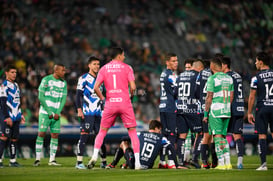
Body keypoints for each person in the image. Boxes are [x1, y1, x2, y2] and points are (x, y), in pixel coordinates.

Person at [87, 47, 141, 170]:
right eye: (123, 55)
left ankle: (94, 156)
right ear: (119, 56)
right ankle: (137, 163)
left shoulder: (103, 68)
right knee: (132, 132)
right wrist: (131, 96)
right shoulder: (128, 68)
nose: (124, 57)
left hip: (110, 103)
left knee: (102, 131)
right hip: (124, 103)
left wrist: (103, 99)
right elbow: (133, 87)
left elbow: (96, 87)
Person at [106, 120, 186, 169]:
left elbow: (123, 138)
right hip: (148, 166)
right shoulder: (162, 138)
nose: (160, 132)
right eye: (159, 130)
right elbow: (171, 147)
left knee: (124, 143)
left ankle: (113, 164)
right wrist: (176, 164)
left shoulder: (141, 134)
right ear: (156, 128)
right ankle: (126, 163)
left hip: (135, 164)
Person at [75, 56, 107, 169]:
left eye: (98, 64)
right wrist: (79, 109)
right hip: (87, 112)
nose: (97, 66)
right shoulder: (83, 78)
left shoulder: (101, 79)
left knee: (101, 136)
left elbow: (105, 95)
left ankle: (104, 162)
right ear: (89, 65)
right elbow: (78, 95)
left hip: (99, 113)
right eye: (94, 64)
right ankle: (79, 162)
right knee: (84, 136)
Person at [203, 57, 234, 170]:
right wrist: (226, 106)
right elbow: (231, 97)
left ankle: (221, 163)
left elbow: (209, 97)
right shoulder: (229, 78)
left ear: (212, 67)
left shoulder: (212, 78)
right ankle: (228, 163)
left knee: (217, 137)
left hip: (216, 111)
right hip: (226, 110)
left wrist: (206, 114)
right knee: (224, 138)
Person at [33, 64, 67, 166]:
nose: (64, 72)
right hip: (45, 113)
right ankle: (37, 159)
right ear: (56, 71)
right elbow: (41, 96)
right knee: (41, 134)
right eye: (62, 70)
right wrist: (49, 112)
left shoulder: (63, 83)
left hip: (56, 114)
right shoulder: (46, 79)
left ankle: (52, 160)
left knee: (55, 135)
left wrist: (58, 112)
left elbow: (63, 99)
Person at [175, 59, 204, 168]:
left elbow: (175, 92)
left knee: (182, 136)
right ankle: (195, 158)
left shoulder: (180, 76)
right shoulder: (198, 76)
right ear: (200, 68)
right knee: (200, 133)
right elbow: (198, 92)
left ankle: (181, 161)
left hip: (180, 108)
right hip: (193, 109)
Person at [248, 52, 273, 171]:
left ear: (261, 62)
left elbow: (252, 96)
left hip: (262, 108)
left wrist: (249, 113)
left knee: (262, 135)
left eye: (256, 61)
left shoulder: (256, 78)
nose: (255, 63)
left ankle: (263, 165)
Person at [222, 56, 245, 169]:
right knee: (237, 136)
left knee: (223, 135)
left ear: (225, 65)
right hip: (240, 108)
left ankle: (226, 161)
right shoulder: (237, 75)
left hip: (230, 108)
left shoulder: (226, 77)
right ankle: (240, 162)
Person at [0, 65, 25, 168]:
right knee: (3, 137)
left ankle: (13, 160)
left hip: (16, 116)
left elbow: (17, 102)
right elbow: (2, 102)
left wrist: (21, 114)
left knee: (14, 138)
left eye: (15, 72)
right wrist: (7, 117)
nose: (14, 74)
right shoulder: (4, 85)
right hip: (7, 116)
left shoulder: (16, 85)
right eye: (12, 72)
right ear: (6, 73)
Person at [197, 59, 218, 169]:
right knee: (215, 136)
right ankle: (215, 161)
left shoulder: (200, 74)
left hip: (202, 107)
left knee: (205, 136)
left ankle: (204, 162)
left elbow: (196, 89)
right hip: (213, 106)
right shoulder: (214, 74)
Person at [158, 53, 178, 168]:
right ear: (167, 62)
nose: (176, 63)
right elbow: (177, 92)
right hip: (170, 107)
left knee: (164, 135)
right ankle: (171, 161)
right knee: (171, 135)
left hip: (163, 106)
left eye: (176, 61)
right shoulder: (172, 75)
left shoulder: (163, 73)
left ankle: (162, 161)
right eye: (173, 61)